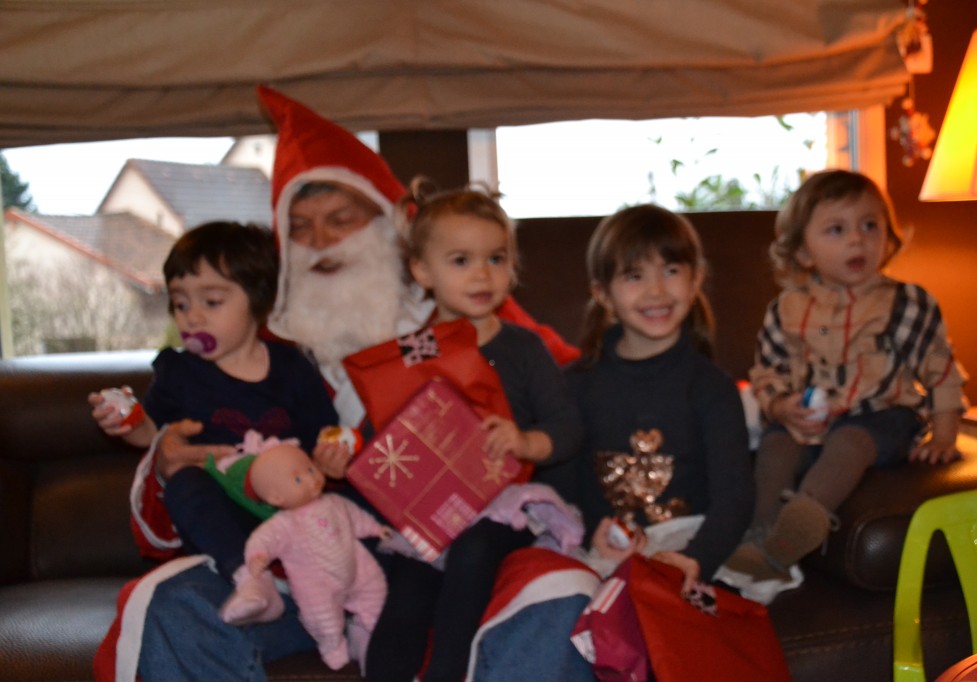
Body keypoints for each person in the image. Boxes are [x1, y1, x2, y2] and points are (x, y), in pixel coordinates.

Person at [94, 86, 581, 682]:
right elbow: (193, 470)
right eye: (300, 228)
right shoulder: (254, 346)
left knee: (554, 598)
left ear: (391, 229)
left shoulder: (465, 322)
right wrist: (165, 457)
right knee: (172, 606)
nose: (321, 243)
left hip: (443, 556)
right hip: (292, 569)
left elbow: (574, 404)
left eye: (340, 220)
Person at [362, 181, 582, 682]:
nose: (482, 274)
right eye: (461, 260)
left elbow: (568, 428)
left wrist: (525, 442)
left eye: (496, 259)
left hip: (506, 506)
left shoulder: (524, 348)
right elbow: (383, 433)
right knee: (407, 591)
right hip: (430, 510)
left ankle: (449, 673)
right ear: (422, 271)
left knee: (474, 550)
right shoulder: (411, 352)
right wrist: (352, 451)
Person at [88, 221, 343, 625]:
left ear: (258, 301)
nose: (192, 317)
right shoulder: (177, 372)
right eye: (180, 304)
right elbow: (153, 434)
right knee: (185, 483)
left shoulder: (293, 367)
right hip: (223, 516)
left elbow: (324, 433)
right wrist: (128, 420)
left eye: (211, 302)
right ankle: (249, 580)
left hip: (289, 510)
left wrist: (332, 454)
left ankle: (305, 582)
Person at [726, 169, 966, 582]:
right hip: (812, 423)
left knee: (850, 441)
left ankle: (796, 532)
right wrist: (782, 407)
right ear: (803, 252)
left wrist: (944, 436)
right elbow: (768, 372)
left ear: (888, 237)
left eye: (869, 226)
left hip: (883, 418)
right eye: (837, 230)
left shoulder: (907, 304)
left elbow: (940, 368)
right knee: (776, 443)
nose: (857, 240)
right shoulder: (786, 310)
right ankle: (757, 536)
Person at [556, 203, 754, 596]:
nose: (656, 290)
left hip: (690, 551)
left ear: (695, 280)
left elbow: (735, 499)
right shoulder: (574, 386)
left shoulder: (713, 388)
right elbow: (560, 489)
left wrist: (695, 559)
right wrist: (588, 535)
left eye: (671, 270)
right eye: (635, 276)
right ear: (603, 294)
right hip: (599, 554)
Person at [227, 442, 389, 671]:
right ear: (275, 497)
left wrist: (375, 529)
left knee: (375, 591)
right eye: (298, 479)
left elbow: (354, 517)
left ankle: (372, 632)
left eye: (311, 469)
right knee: (323, 621)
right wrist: (258, 556)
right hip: (317, 586)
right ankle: (334, 648)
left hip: (356, 569)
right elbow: (263, 539)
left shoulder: (334, 502)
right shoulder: (283, 524)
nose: (312, 479)